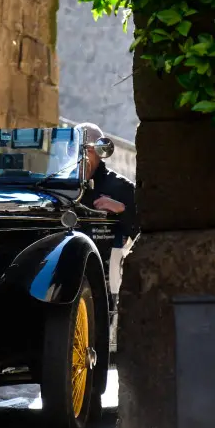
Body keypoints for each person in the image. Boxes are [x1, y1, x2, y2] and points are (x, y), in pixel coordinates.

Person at [75, 122, 139, 303]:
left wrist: (122, 209)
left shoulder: (121, 187)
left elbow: (140, 232)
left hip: (106, 276)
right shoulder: (60, 186)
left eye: (86, 149)